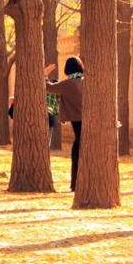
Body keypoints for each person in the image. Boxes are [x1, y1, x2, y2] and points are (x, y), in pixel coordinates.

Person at [46, 57, 84, 192]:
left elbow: (47, 87)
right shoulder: (86, 81)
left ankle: (76, 184)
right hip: (90, 119)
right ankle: (77, 184)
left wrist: (44, 74)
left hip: (77, 120)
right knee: (79, 148)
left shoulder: (68, 84)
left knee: (77, 151)